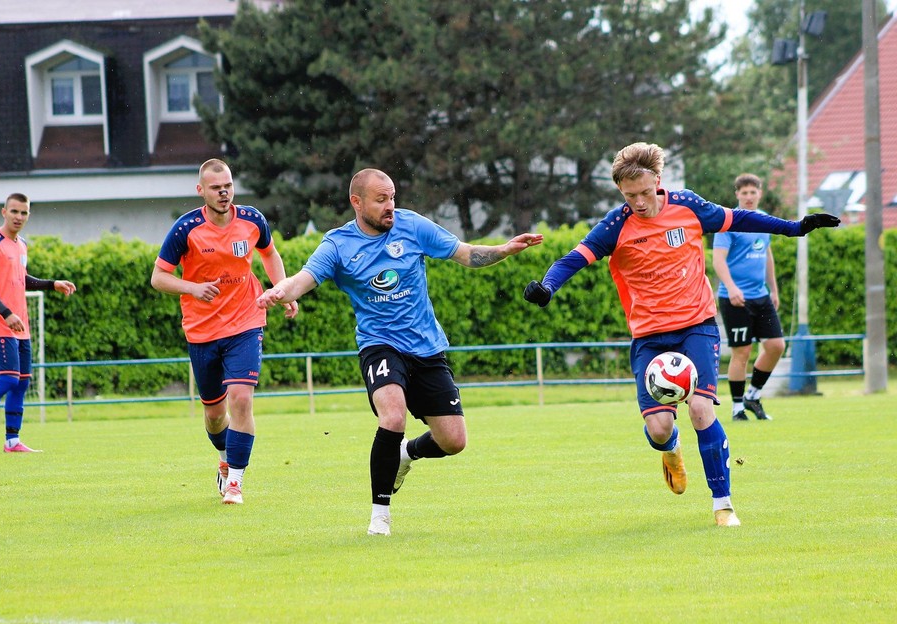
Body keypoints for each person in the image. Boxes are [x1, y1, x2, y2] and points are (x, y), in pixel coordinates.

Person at [523, 142, 839, 527]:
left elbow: (738, 218)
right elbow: (573, 259)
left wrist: (795, 227)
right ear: (620, 190)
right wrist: (548, 287)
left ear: (658, 180)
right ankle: (670, 448)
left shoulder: (688, 206)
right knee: (659, 429)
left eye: (645, 192)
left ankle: (723, 504)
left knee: (701, 409)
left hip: (697, 326)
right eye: (630, 195)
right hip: (650, 337)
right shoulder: (614, 225)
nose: (639, 202)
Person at [256, 168, 543, 536]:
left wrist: (503, 249)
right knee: (392, 416)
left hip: (426, 347)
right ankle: (380, 515)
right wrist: (280, 291)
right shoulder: (338, 244)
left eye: (392, 197)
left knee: (454, 441)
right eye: (381, 200)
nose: (390, 205)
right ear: (357, 202)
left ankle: (407, 453)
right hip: (379, 345)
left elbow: (466, 253)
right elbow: (303, 279)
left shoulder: (412, 226)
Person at [151, 158, 297, 505]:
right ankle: (224, 459)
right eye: (216, 188)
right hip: (202, 331)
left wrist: (283, 289)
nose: (224, 192)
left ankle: (235, 483)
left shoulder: (252, 220)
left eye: (228, 186)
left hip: (246, 321)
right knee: (215, 416)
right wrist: (192, 288)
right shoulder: (185, 229)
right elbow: (158, 278)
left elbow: (270, 254)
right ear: (201, 190)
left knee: (242, 399)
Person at [0, 193, 77, 454]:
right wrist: (6, 313)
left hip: (20, 325)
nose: (19, 217)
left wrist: (51, 284)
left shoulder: (21, 244)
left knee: (21, 382)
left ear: (28, 215)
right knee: (9, 379)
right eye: (14, 211)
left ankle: (12, 440)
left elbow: (21, 279)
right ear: (4, 212)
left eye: (24, 212)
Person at [712, 174, 784, 421]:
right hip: (735, 299)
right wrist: (731, 287)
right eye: (744, 193)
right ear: (737, 195)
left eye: (753, 192)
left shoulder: (764, 219)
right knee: (742, 352)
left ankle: (753, 396)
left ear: (760, 194)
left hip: (761, 296)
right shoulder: (729, 222)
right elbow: (718, 260)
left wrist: (773, 289)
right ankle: (737, 407)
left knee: (776, 346)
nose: (749, 197)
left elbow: (767, 254)